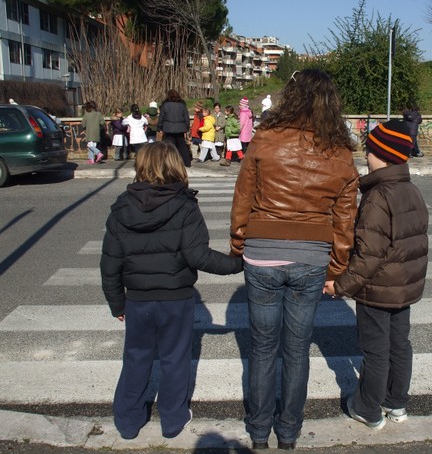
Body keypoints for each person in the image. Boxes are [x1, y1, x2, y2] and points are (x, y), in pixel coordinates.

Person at [229, 68, 359, 450]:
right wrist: (336, 269)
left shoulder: (266, 138)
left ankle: (258, 433)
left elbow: (243, 198)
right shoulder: (340, 151)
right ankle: (288, 433)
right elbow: (344, 220)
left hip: (262, 252)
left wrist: (240, 246)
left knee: (262, 347)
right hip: (312, 258)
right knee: (297, 349)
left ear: (291, 96)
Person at [100, 141, 243, 440]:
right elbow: (198, 256)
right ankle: (173, 419)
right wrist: (238, 264)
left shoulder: (121, 207)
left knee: (136, 358)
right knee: (175, 358)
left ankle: (128, 421)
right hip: (176, 299)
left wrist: (117, 304)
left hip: (137, 299)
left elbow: (110, 264)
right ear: (175, 166)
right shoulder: (184, 205)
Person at [324, 119, 429, 431]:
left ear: (382, 155)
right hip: (403, 288)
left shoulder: (378, 196)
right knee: (399, 344)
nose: (366, 157)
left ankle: (368, 408)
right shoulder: (411, 190)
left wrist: (340, 286)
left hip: (377, 288)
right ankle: (396, 402)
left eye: (369, 151)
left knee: (376, 350)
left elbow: (368, 255)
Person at [158, 89, 192, 167]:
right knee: (182, 146)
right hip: (180, 129)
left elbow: (161, 117)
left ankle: (168, 163)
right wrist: (187, 128)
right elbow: (186, 117)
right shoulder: (182, 104)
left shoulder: (165, 104)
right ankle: (187, 162)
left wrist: (159, 127)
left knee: (168, 147)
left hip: (168, 128)